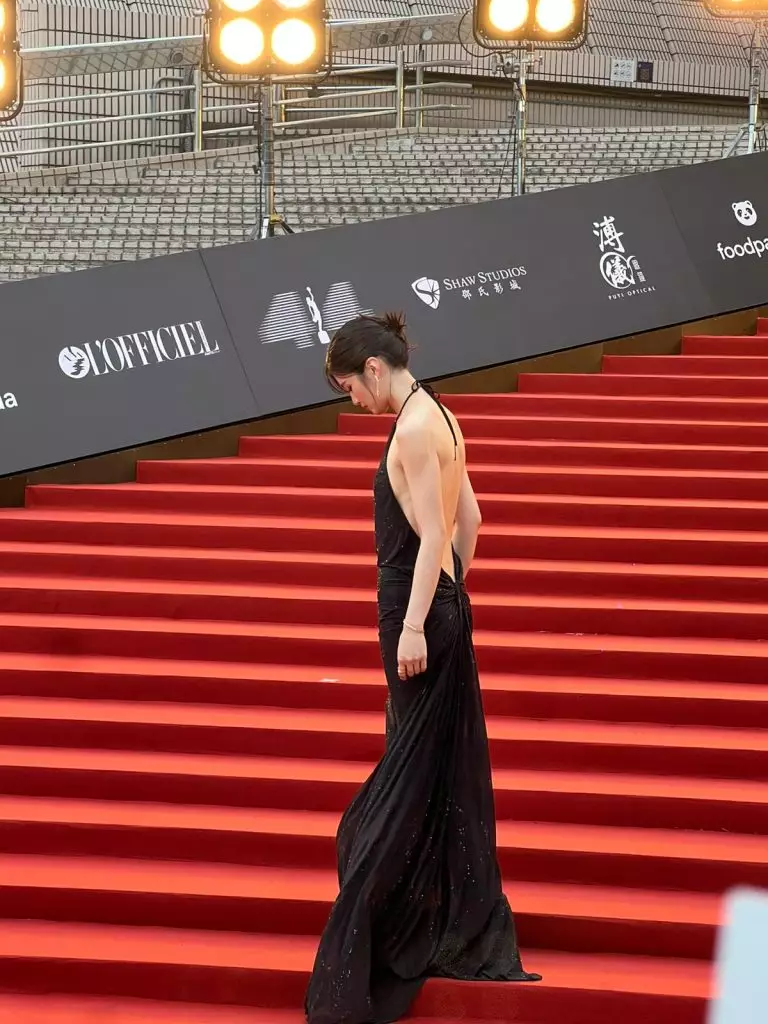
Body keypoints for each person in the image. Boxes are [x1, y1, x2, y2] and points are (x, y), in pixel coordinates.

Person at [305, 312, 541, 1024]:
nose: (353, 401)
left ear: (374, 369)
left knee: (405, 774)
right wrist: (449, 595)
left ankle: (385, 924)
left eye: (350, 387)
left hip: (411, 613)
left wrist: (414, 623)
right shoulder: (440, 413)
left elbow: (437, 530)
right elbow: (473, 521)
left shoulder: (409, 430)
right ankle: (436, 912)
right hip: (443, 604)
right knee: (432, 767)